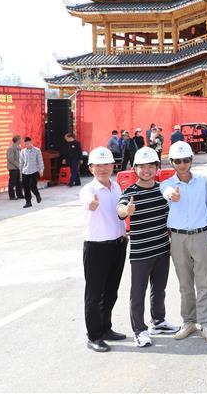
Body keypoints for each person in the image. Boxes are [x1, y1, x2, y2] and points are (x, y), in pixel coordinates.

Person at [160, 140, 207, 344]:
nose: (182, 164)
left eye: (185, 160)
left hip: (201, 235)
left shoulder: (202, 181)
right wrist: (172, 195)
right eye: (177, 161)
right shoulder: (167, 184)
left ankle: (206, 324)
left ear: (191, 160)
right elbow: (167, 193)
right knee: (185, 283)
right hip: (178, 238)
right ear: (171, 162)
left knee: (204, 283)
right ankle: (188, 322)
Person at [118, 147, 179, 347]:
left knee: (159, 289)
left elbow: (170, 217)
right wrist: (126, 210)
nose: (146, 170)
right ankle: (139, 330)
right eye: (142, 166)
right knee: (138, 292)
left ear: (157, 168)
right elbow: (120, 209)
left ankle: (158, 321)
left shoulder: (162, 190)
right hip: (141, 253)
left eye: (151, 166)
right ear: (134, 168)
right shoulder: (130, 192)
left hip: (162, 249)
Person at [79, 147, 128, 352]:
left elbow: (119, 213)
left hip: (118, 245)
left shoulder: (116, 187)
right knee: (94, 294)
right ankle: (94, 336)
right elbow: (89, 203)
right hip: (96, 248)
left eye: (106, 164)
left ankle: (106, 328)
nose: (102, 169)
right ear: (91, 168)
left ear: (113, 166)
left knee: (111, 291)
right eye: (97, 165)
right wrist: (92, 204)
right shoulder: (88, 190)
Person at [20, 136, 44, 207]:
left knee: (32, 186)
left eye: (28, 143)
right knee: (26, 187)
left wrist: (41, 170)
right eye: (25, 144)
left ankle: (37, 194)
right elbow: (21, 162)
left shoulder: (37, 150)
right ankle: (28, 202)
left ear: (31, 142)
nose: (26, 145)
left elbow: (40, 161)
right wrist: (20, 171)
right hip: (25, 171)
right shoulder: (23, 151)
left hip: (34, 171)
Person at [7, 135, 22, 201]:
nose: (21, 140)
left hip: (18, 167)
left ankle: (20, 194)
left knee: (19, 182)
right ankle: (12, 196)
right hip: (13, 168)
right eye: (20, 139)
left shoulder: (18, 147)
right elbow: (11, 159)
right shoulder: (11, 148)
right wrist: (18, 165)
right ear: (17, 140)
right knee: (12, 182)